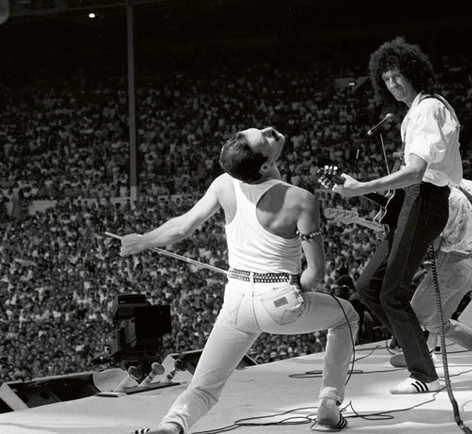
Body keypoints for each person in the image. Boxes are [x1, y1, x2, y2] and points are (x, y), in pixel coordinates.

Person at [118, 126, 359, 433]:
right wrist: (295, 287)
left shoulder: (224, 184)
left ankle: (171, 425)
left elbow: (181, 228)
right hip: (280, 301)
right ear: (264, 165)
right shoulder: (302, 200)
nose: (269, 131)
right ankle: (329, 402)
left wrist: (142, 240)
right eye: (265, 137)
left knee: (204, 386)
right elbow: (316, 274)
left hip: (237, 302)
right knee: (346, 317)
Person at [333, 37, 463, 394]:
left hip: (425, 200)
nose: (393, 84)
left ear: (414, 72)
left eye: (398, 75)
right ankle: (417, 345)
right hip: (415, 201)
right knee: (368, 287)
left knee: (392, 291)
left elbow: (416, 173)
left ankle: (424, 374)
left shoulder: (426, 110)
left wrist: (359, 188)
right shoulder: (417, 111)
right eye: (386, 78)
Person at [391, 180, 472, 368]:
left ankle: (421, 356)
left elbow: (434, 243)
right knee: (438, 323)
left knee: (413, 316)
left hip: (450, 267)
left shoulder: (436, 196)